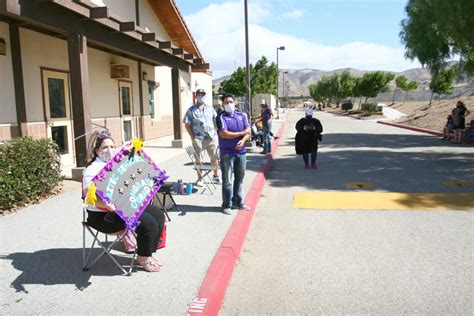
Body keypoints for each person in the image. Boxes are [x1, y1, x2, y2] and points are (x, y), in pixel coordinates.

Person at [82, 130, 165, 272]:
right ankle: (143, 258)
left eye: (112, 147)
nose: (109, 150)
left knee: (158, 215)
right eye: (104, 147)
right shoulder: (92, 170)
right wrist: (104, 204)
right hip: (104, 217)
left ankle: (147, 253)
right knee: (148, 223)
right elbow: (87, 196)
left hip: (124, 208)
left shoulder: (117, 163)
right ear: (97, 151)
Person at [216, 93, 251, 215]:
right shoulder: (221, 117)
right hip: (227, 153)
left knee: (240, 179)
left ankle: (238, 202)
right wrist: (241, 133)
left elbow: (248, 131)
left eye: (231, 101)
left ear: (235, 102)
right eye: (226, 102)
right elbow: (223, 134)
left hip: (241, 153)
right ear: (223, 104)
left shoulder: (242, 115)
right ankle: (226, 205)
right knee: (227, 181)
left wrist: (244, 139)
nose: (229, 104)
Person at [183, 88, 220, 186]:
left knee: (214, 157)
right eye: (199, 94)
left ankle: (216, 177)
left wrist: (216, 132)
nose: (200, 96)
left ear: (205, 95)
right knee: (199, 159)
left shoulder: (210, 108)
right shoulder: (191, 110)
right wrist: (192, 137)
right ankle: (200, 179)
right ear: (196, 96)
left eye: (202, 94)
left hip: (211, 137)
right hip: (198, 139)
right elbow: (187, 124)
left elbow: (216, 120)